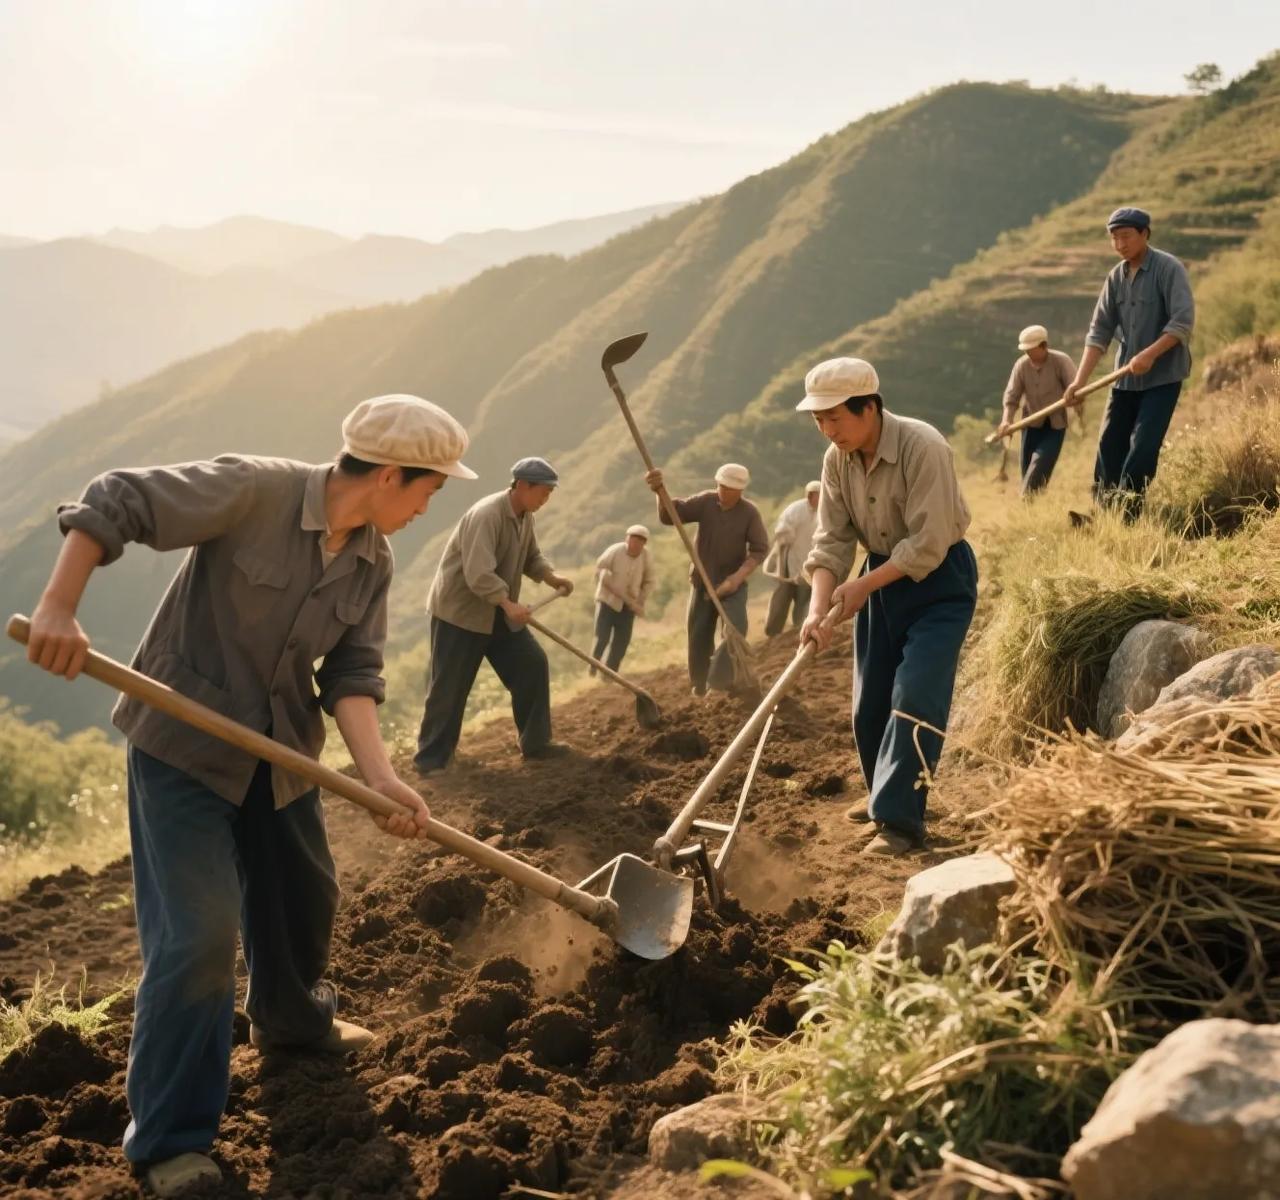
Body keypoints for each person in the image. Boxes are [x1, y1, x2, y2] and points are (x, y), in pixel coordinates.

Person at [24, 394, 473, 1196]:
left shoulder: (373, 559)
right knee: (199, 937)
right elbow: (116, 499)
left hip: (280, 752)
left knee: (306, 896)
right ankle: (170, 1143)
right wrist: (60, 606)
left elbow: (351, 676)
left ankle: (296, 1022)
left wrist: (379, 778)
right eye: (428, 490)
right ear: (393, 475)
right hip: (183, 752)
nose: (426, 507)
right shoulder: (254, 490)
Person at [798, 357, 977, 857]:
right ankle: (884, 791)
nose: (827, 431)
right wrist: (817, 609)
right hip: (879, 580)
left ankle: (900, 822)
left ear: (870, 408)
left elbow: (928, 542)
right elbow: (831, 539)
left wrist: (862, 588)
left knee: (915, 695)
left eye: (835, 418)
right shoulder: (838, 459)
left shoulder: (924, 447)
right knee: (869, 704)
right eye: (819, 421)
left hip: (939, 580)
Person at [414, 456, 575, 775]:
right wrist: (508, 603)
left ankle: (536, 743)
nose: (546, 499)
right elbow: (479, 574)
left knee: (531, 664)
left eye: (549, 494)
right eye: (543, 492)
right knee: (450, 686)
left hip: (499, 611)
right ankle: (430, 761)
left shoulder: (524, 515)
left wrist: (551, 577)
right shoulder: (487, 515)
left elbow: (531, 556)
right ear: (523, 485)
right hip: (461, 614)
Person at [1063, 206, 1195, 517]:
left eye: (1126, 236)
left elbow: (1182, 322)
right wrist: (1079, 382)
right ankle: (1101, 513)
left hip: (1162, 377)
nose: (1120, 244)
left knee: (1143, 448)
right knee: (1109, 445)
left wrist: (1150, 354)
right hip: (1124, 378)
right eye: (1114, 238)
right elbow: (1099, 332)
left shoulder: (1168, 269)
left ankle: (1128, 516)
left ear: (1144, 235)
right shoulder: (1115, 278)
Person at [644, 462, 767, 696]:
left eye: (731, 489)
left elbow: (760, 549)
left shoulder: (749, 513)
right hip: (702, 581)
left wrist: (737, 578)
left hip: (732, 584)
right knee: (699, 634)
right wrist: (660, 491)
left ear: (741, 491)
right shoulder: (706, 502)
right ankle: (699, 686)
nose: (725, 492)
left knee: (735, 629)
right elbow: (671, 515)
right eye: (722, 486)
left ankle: (718, 682)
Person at [995, 324, 1077, 496]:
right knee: (1026, 470)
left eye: (1031, 349)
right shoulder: (1021, 366)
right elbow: (1012, 396)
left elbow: (1077, 390)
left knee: (1041, 464)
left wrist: (1073, 398)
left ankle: (1027, 501)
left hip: (1055, 425)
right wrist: (1006, 420)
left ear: (1044, 346)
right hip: (1031, 424)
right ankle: (1032, 509)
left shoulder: (1061, 361)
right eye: (1026, 350)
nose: (1028, 353)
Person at [591, 523, 654, 673]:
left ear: (644, 543)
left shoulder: (646, 556)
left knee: (622, 641)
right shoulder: (615, 551)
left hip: (629, 606)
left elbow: (649, 581)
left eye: (640, 540)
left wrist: (639, 601)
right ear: (627, 539)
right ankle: (593, 667)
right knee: (602, 637)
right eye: (633, 539)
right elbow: (600, 570)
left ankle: (610, 673)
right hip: (607, 601)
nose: (635, 543)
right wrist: (609, 584)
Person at [764, 481, 820, 635]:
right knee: (781, 598)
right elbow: (783, 533)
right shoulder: (795, 510)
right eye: (814, 495)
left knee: (804, 599)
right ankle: (772, 633)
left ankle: (798, 631)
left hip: (810, 564)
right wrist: (786, 537)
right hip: (789, 562)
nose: (817, 499)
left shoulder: (825, 512)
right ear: (809, 495)